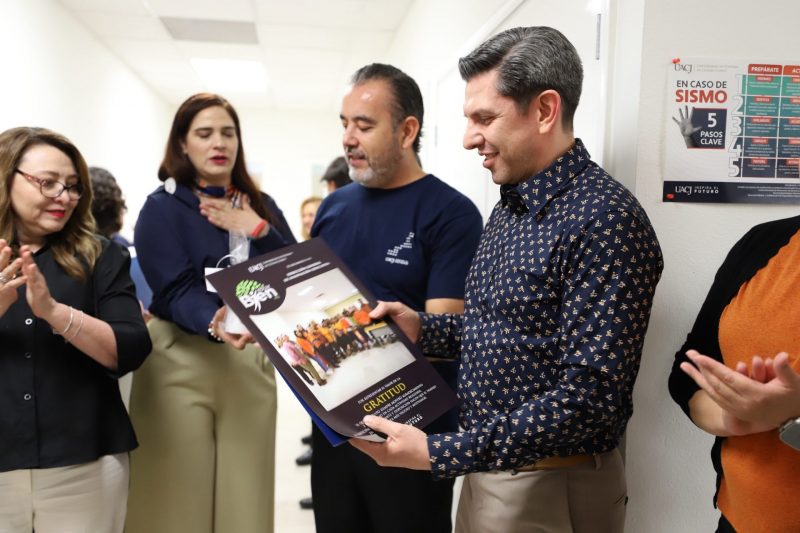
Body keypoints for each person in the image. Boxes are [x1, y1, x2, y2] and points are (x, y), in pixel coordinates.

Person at [350, 27, 664, 533]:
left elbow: (590, 400)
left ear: (544, 111)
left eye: (484, 118)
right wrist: (422, 328)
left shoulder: (605, 220)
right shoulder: (513, 205)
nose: (468, 137)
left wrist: (442, 451)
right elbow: (507, 331)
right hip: (489, 471)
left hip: (547, 484)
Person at [310, 63, 484, 533]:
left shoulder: (452, 215)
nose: (348, 139)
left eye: (364, 125)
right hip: (334, 428)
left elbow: (444, 334)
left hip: (410, 434)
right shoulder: (334, 207)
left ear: (407, 131)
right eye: (345, 124)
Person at [125, 93, 296, 533]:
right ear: (183, 144)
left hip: (248, 360)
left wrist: (257, 229)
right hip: (178, 360)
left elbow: (295, 275)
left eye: (228, 133)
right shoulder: (162, 208)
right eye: (204, 133)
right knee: (174, 501)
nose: (219, 143)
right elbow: (174, 287)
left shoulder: (261, 204)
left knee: (246, 499)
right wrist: (214, 319)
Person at [0, 127, 151, 531]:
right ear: (6, 178)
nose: (64, 197)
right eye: (48, 183)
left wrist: (54, 312)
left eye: (72, 186)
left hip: (84, 464)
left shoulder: (101, 255)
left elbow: (130, 348)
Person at [668, 215, 800, 533]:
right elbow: (690, 372)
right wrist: (732, 417)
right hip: (740, 520)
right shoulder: (764, 242)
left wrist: (792, 418)